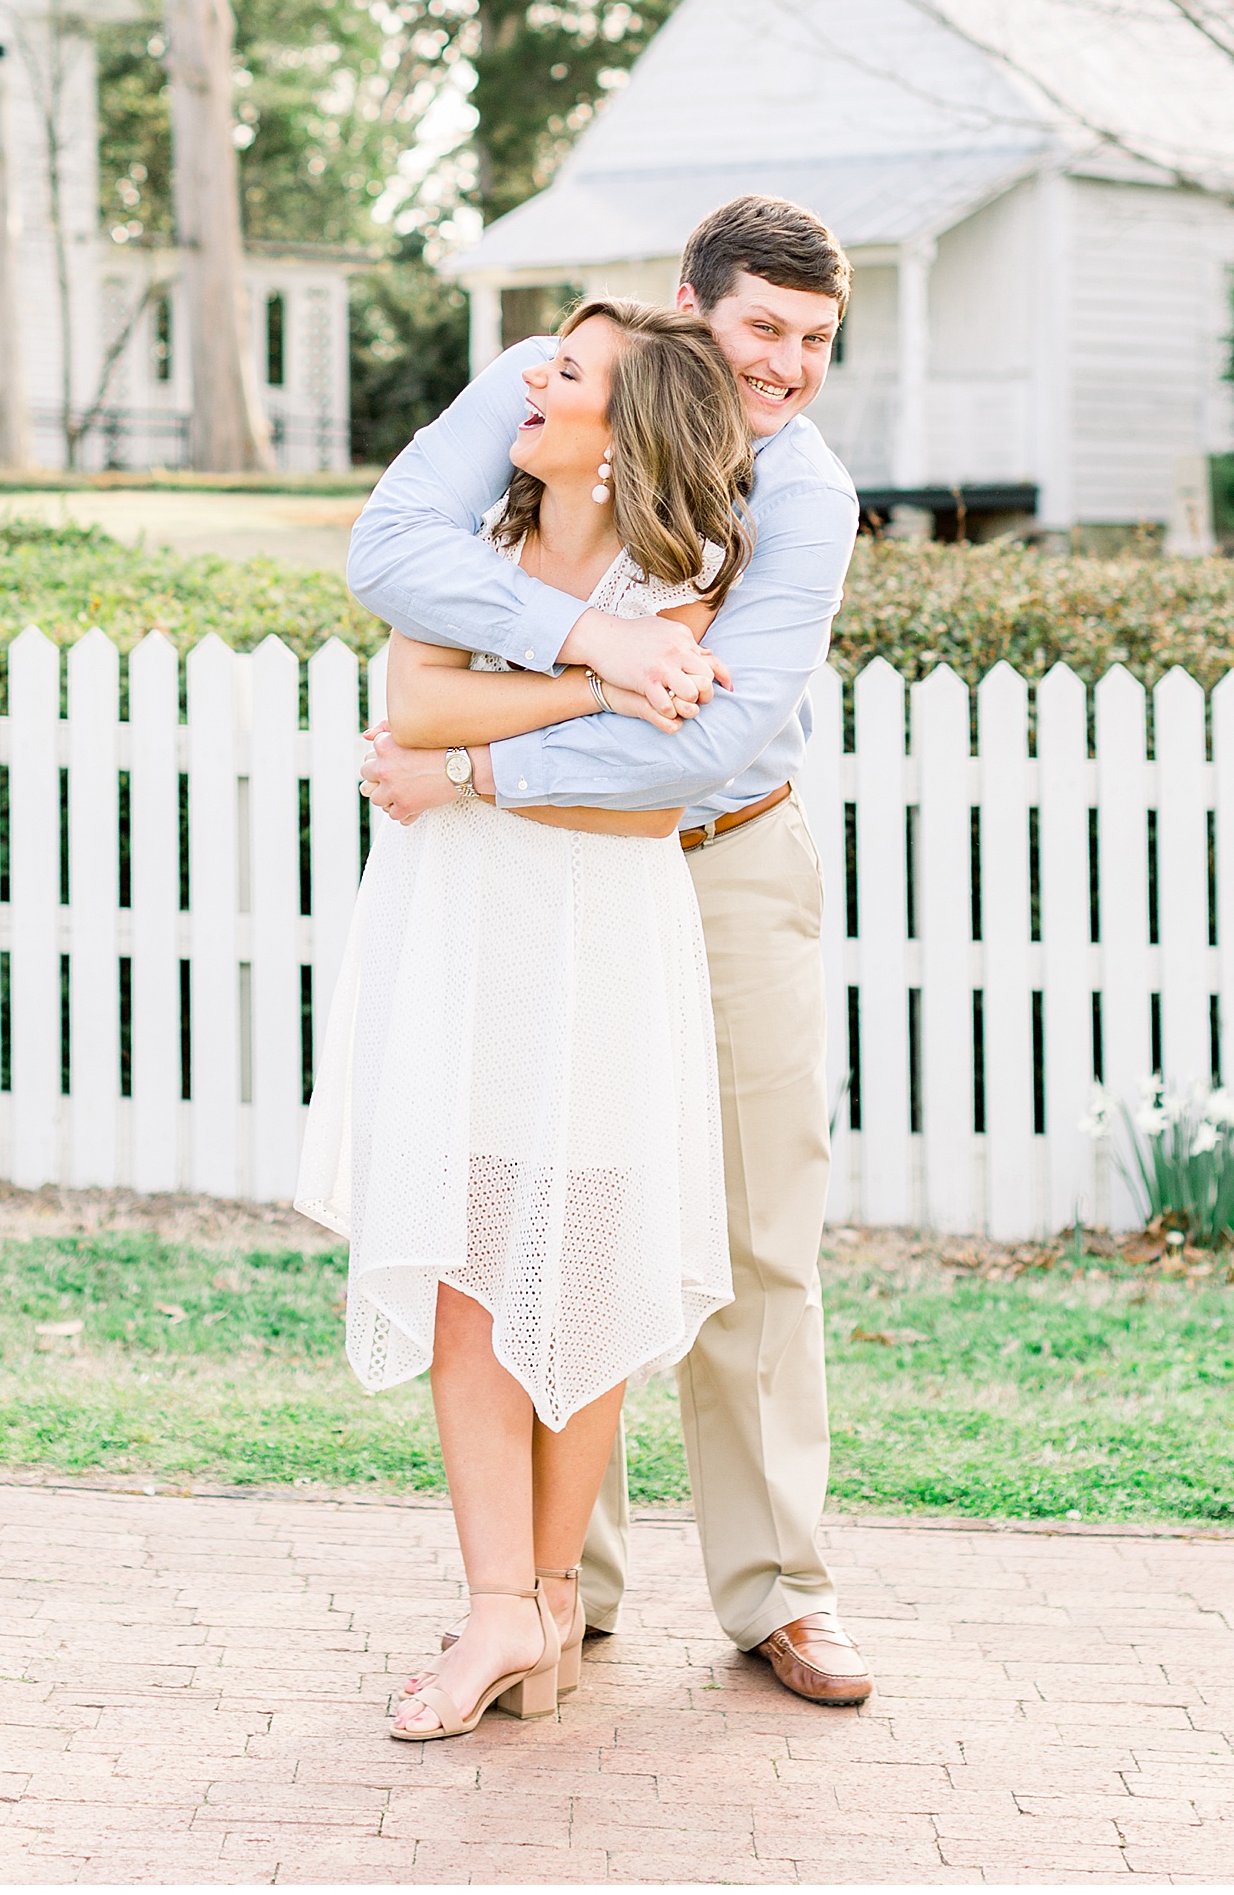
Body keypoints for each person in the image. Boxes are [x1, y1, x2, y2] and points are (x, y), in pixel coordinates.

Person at [348, 195, 874, 1708]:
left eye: (816, 340)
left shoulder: (805, 492)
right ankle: (556, 1588)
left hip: (722, 859)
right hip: (536, 887)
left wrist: (474, 772)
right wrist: (585, 645)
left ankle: (780, 1590)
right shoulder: (545, 384)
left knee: (757, 1229)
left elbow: (705, 743)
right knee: (546, 1224)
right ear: (687, 312)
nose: (784, 366)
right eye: (762, 327)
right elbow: (391, 552)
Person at [296, 299, 755, 1740]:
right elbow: (406, 702)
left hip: (600, 936)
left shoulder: (687, 570)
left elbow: (644, 782)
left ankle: (550, 1599)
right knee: (469, 1271)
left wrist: (493, 749)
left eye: (564, 374)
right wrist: (589, 665)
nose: (527, 385)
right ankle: (500, 1600)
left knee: (586, 1278)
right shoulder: (481, 550)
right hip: (466, 932)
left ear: (618, 441)